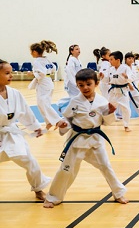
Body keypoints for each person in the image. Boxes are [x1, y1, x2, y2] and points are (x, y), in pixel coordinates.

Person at [44, 68, 128, 208]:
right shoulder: (75, 101)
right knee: (66, 169)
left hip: (95, 139)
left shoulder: (102, 101)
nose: (85, 88)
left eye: (88, 84)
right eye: (81, 85)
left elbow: (107, 122)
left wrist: (110, 112)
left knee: (106, 166)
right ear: (77, 86)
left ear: (96, 83)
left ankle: (118, 193)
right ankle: (54, 197)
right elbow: (67, 118)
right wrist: (63, 124)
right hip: (77, 140)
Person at [0, 59, 51, 200]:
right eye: (7, 73)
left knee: (29, 160)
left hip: (11, 134)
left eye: (11, 73)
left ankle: (38, 188)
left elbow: (25, 112)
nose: (11, 76)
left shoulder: (14, 93)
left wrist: (35, 127)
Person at [29, 40, 62, 130]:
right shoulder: (46, 59)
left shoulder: (37, 61)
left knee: (44, 103)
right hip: (47, 82)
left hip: (44, 83)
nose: (31, 53)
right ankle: (48, 122)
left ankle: (58, 121)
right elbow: (54, 68)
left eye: (31, 52)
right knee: (41, 104)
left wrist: (32, 74)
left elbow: (42, 73)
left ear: (35, 52)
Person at [103, 51, 133, 132]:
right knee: (109, 106)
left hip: (122, 91)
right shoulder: (111, 69)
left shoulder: (125, 68)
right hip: (113, 90)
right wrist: (102, 77)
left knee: (126, 108)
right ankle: (105, 122)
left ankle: (126, 125)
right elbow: (106, 80)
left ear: (118, 60)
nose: (110, 61)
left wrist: (126, 77)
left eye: (111, 59)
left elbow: (131, 78)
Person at [58, 44, 83, 113]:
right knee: (76, 97)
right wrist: (76, 83)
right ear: (72, 51)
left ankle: (71, 110)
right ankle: (63, 106)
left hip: (77, 81)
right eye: (76, 49)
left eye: (79, 49)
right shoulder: (71, 60)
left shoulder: (77, 60)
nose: (79, 50)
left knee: (77, 97)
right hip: (72, 82)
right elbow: (71, 73)